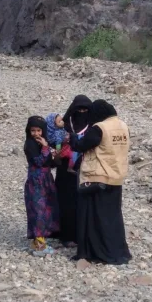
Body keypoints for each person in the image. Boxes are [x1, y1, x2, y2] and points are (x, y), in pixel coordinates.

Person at [70, 99, 132, 265]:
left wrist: (72, 137)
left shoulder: (100, 128)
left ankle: (97, 252)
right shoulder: (123, 126)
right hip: (116, 177)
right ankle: (117, 251)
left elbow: (80, 145)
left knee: (92, 217)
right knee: (112, 217)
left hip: (97, 178)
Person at [54, 95, 92, 246]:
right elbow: (54, 143)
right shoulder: (64, 125)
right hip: (65, 170)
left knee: (83, 203)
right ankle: (66, 235)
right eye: (79, 110)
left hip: (85, 169)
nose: (82, 113)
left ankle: (81, 235)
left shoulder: (93, 126)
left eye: (85, 110)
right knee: (65, 201)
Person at [23, 115, 59, 256]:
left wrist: (54, 153)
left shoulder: (42, 143)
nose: (36, 134)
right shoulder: (30, 145)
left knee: (46, 209)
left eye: (39, 130)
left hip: (46, 180)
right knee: (38, 211)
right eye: (33, 130)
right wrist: (45, 148)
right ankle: (40, 246)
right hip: (36, 182)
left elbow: (50, 162)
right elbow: (39, 161)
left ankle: (38, 241)